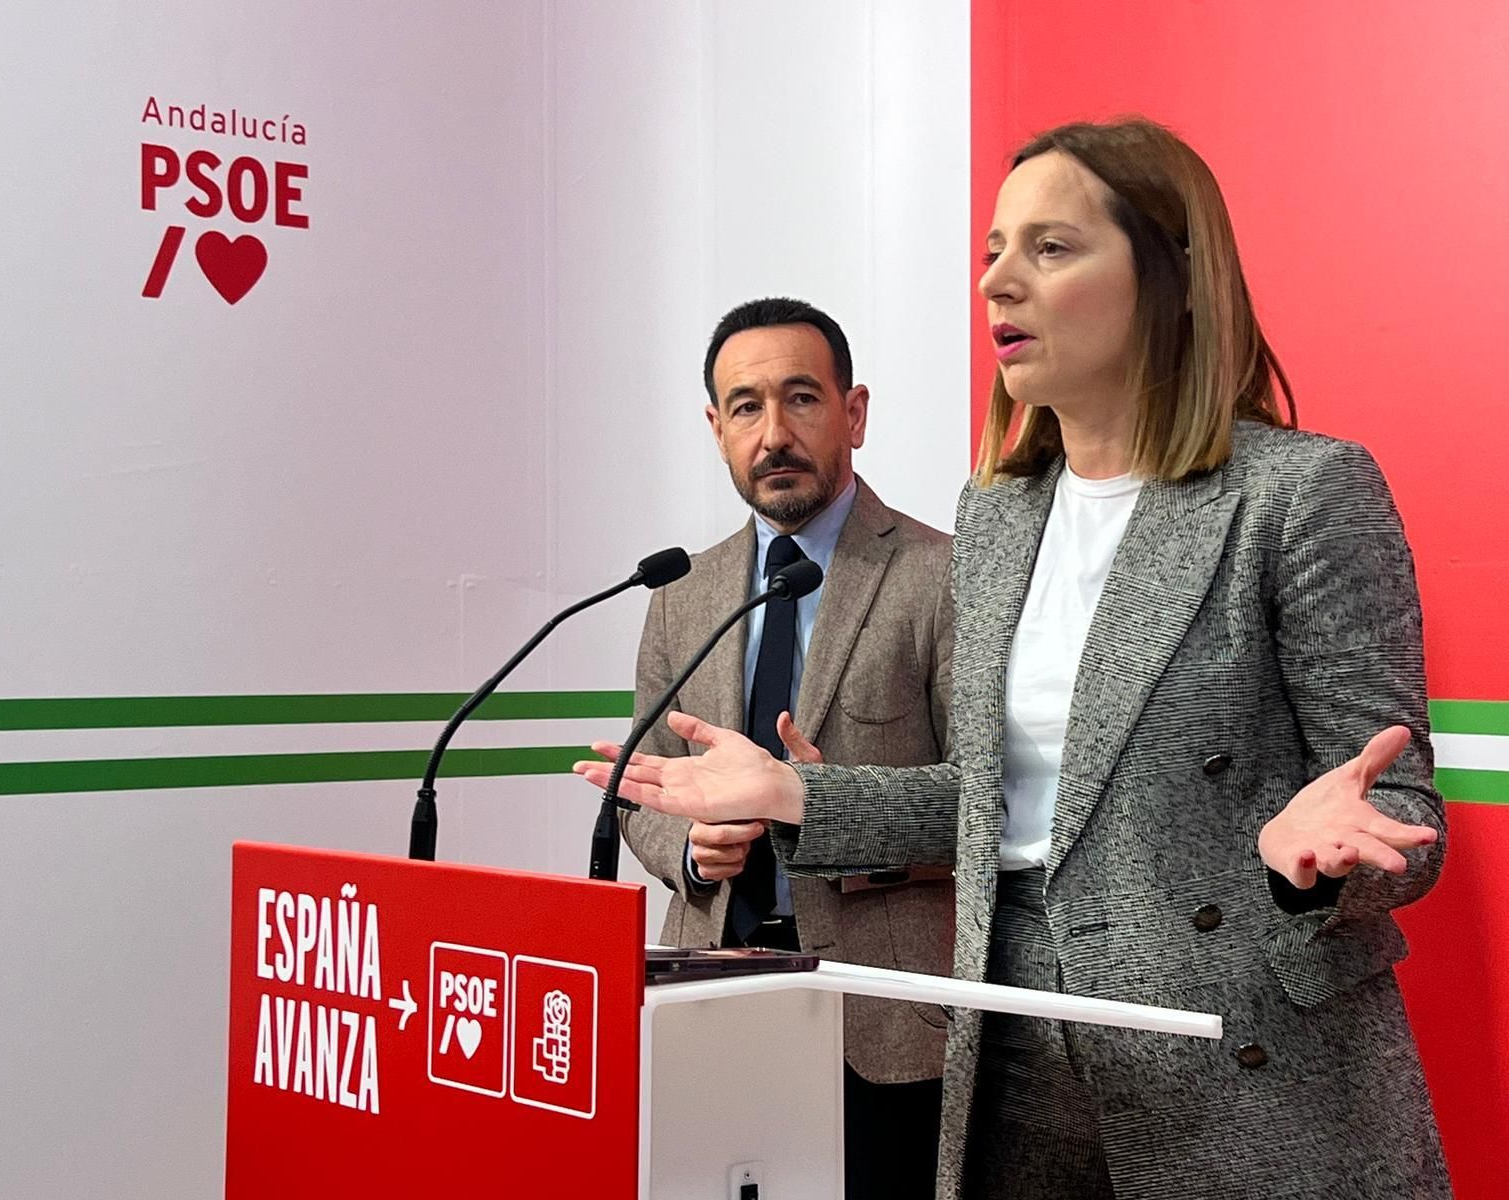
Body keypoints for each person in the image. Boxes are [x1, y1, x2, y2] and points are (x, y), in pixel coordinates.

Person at [580, 120, 1451, 1199]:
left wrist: (1301, 864)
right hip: (1015, 1045)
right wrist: (799, 796)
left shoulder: (1301, 493)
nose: (997, 280)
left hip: (1235, 1055)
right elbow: (993, 805)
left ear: (1171, 274)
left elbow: (1400, 812)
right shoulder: (995, 517)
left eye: (1049, 248)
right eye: (992, 250)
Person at [618, 296, 955, 1197]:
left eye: (801, 399)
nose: (773, 433)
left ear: (854, 412)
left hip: (885, 1019)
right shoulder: (682, 592)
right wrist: (688, 845)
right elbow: (638, 790)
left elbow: (991, 805)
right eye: (745, 407)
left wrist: (827, 809)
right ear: (716, 427)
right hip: (708, 992)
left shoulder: (943, 575)